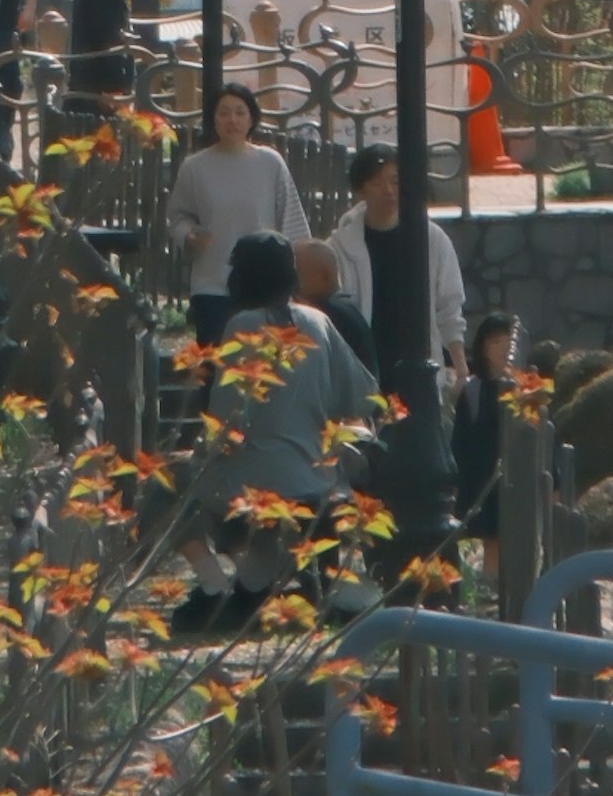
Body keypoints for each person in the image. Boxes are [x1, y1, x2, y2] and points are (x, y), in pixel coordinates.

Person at [169, 228, 386, 632]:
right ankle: (271, 580)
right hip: (319, 479)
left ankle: (217, 588)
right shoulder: (318, 321)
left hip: (252, 485)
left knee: (165, 482)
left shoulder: (242, 326)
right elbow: (364, 394)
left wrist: (196, 453)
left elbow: (227, 421)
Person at [164, 82, 308, 349]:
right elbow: (177, 216)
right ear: (213, 119)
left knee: (264, 369)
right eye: (224, 113)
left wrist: (297, 278)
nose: (232, 120)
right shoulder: (195, 167)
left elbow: (291, 218)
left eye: (240, 112)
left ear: (252, 118)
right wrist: (189, 235)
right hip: (212, 283)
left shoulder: (270, 162)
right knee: (216, 367)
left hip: (265, 286)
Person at [326, 146, 466, 376]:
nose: (388, 191)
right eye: (377, 183)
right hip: (365, 373)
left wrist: (460, 368)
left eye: (395, 181)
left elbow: (449, 308)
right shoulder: (339, 247)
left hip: (422, 370)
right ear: (360, 190)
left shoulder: (431, 239)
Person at [451, 308, 523, 521]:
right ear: (483, 348)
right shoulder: (473, 390)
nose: (502, 349)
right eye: (495, 342)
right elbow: (459, 443)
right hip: (480, 484)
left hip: (515, 482)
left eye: (507, 342)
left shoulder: (522, 390)